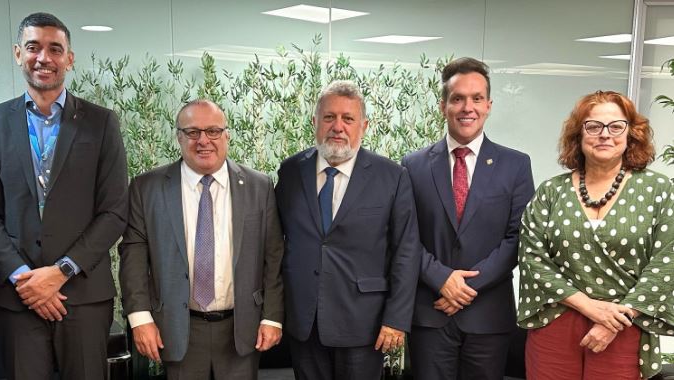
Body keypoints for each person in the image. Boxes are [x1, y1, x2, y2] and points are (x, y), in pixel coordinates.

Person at [0, 12, 128, 379]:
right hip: (19, 297)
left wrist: (60, 272)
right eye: (33, 47)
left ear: (69, 58)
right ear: (18, 53)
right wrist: (23, 277)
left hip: (83, 295)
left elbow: (114, 211)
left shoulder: (101, 122)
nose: (43, 58)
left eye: (55, 49)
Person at [118, 99, 284, 380]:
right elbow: (133, 257)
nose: (203, 140)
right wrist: (140, 318)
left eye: (213, 131)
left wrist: (272, 316)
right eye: (193, 132)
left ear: (227, 135)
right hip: (177, 327)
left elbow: (273, 255)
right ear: (179, 137)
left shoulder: (260, 186)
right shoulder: (147, 187)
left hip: (241, 327)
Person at [518, 90, 674, 380]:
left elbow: (668, 260)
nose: (605, 134)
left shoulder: (658, 190)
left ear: (631, 134)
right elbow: (532, 257)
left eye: (616, 126)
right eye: (593, 126)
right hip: (557, 319)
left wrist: (614, 319)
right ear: (579, 135)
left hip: (624, 324)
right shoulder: (552, 191)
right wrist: (589, 307)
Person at [275, 80, 421, 380]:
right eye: (329, 117)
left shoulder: (392, 177)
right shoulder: (290, 172)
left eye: (348, 119)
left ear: (363, 126)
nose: (337, 126)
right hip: (305, 322)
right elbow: (275, 243)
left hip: (364, 323)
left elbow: (406, 251)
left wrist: (396, 319)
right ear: (315, 122)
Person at [402, 57, 535, 380]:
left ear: (489, 105)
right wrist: (441, 279)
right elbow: (405, 236)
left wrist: (465, 286)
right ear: (442, 105)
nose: (467, 107)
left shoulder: (515, 165)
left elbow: (518, 238)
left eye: (476, 98)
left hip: (488, 316)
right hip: (429, 313)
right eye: (457, 98)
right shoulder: (413, 165)